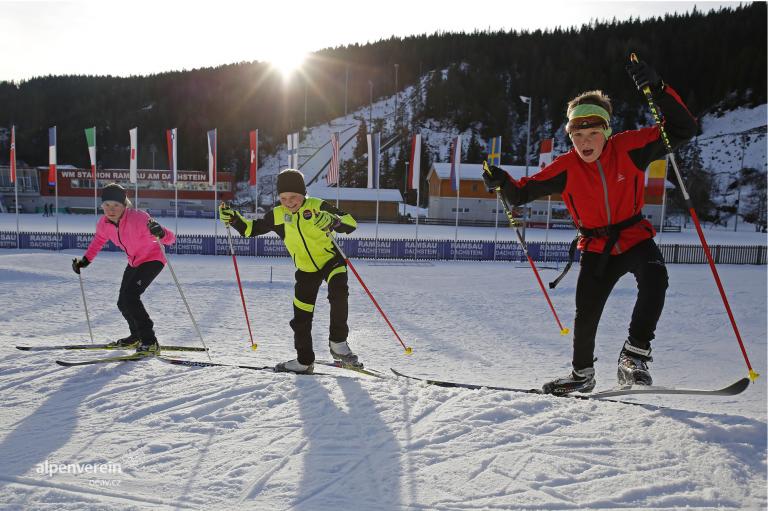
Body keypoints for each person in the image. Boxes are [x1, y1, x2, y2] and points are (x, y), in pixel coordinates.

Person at [483, 60, 697, 395]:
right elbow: (521, 192)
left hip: (633, 236)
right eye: (577, 135)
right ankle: (582, 374)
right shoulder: (566, 167)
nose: (585, 142)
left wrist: (658, 89)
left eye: (593, 133)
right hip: (597, 248)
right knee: (587, 313)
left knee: (656, 279)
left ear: (606, 131)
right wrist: (500, 181)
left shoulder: (628, 148)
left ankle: (634, 357)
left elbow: (684, 128)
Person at [219, 169, 359, 374]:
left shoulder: (317, 206)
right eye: (283, 198)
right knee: (301, 317)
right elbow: (250, 229)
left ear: (304, 193)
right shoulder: (277, 215)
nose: (289, 202)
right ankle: (304, 361)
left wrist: (333, 221)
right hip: (305, 269)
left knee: (338, 293)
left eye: (294, 197)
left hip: (331, 260)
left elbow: (351, 222)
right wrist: (233, 219)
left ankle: (338, 343)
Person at [71, 183, 176, 353]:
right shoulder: (104, 223)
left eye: (116, 205)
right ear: (102, 205)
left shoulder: (139, 218)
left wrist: (161, 233)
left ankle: (150, 341)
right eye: (107, 205)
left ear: (124, 205)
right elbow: (98, 241)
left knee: (131, 296)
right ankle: (136, 337)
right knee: (122, 302)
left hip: (153, 259)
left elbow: (171, 239)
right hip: (134, 262)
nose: (111, 209)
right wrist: (85, 261)